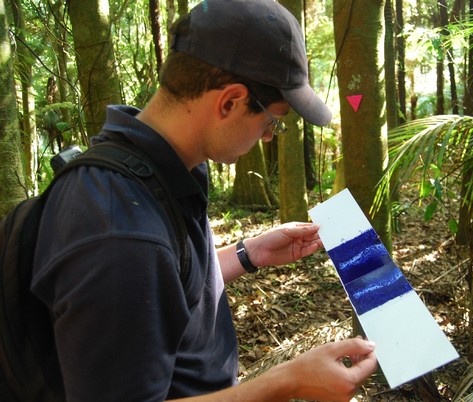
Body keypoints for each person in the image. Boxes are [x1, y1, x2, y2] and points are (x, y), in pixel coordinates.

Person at [31, 0, 378, 401]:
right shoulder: (119, 235)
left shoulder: (159, 169)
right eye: (271, 122)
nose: (268, 137)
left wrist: (249, 253)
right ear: (229, 102)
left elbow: (165, 284)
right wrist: (285, 382)